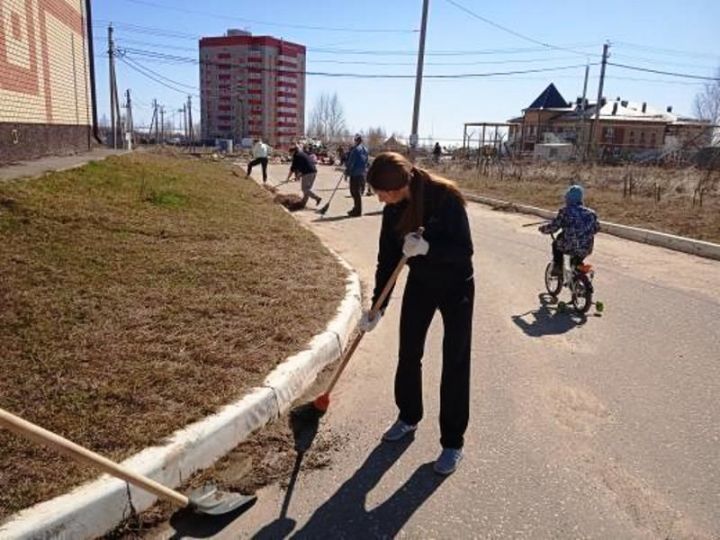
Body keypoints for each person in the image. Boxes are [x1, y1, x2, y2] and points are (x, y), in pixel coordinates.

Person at [358, 152, 474, 476]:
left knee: (455, 360)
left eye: (383, 192)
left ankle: (453, 442)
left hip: (457, 286)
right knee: (409, 352)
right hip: (421, 283)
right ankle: (408, 417)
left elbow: (464, 251)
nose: (380, 198)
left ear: (399, 185)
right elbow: (387, 260)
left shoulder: (446, 198)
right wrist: (377, 308)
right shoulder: (392, 209)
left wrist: (428, 249)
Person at [539, 184, 600, 275]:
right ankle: (577, 268)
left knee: (556, 244)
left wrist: (543, 229)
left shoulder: (565, 211)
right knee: (578, 257)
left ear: (568, 198)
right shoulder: (591, 213)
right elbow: (596, 228)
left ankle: (557, 267)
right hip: (586, 248)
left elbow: (554, 227)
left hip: (569, 246)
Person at [345, 134, 369, 217]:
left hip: (355, 173)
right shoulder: (365, 149)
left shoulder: (355, 150)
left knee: (354, 192)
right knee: (357, 192)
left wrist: (347, 171)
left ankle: (357, 210)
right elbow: (366, 161)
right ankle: (356, 209)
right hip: (362, 173)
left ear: (356, 141)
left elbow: (351, 161)